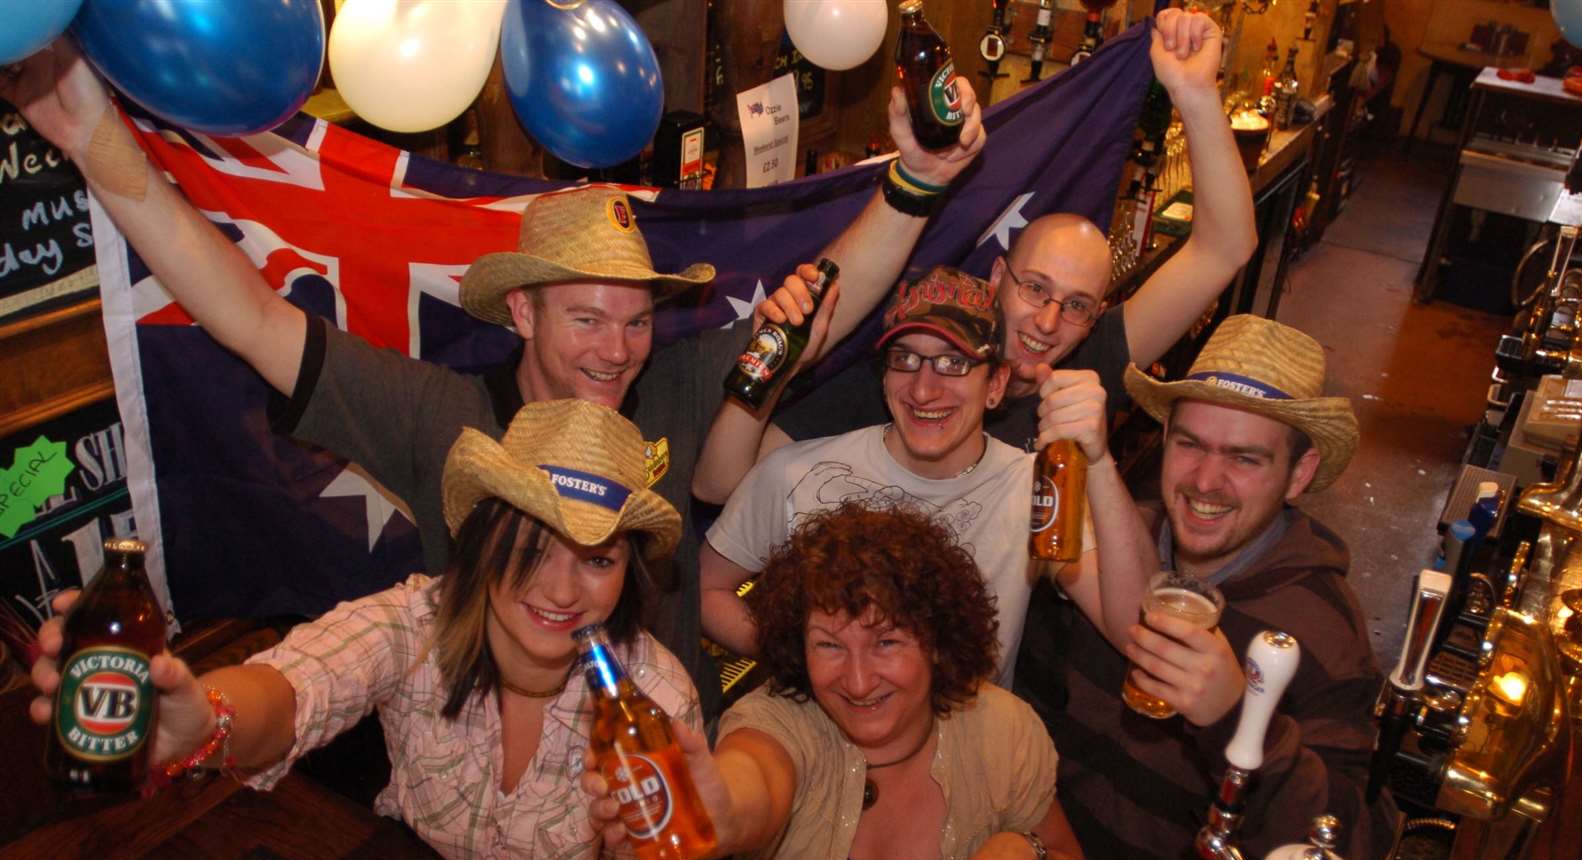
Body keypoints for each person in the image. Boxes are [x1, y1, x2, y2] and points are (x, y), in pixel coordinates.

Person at [0, 38, 987, 714]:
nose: (615, 348)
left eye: (635, 321)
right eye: (586, 318)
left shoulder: (681, 390)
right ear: (520, 310)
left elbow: (815, 323)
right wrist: (99, 145)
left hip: (657, 775)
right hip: (477, 775)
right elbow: (252, 317)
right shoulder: (445, 415)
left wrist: (916, 187)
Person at [28, 400, 697, 860]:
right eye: (527, 547)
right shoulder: (412, 623)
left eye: (597, 560)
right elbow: (300, 683)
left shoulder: (657, 701)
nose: (559, 588)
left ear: (627, 574)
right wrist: (207, 718)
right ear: (482, 540)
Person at [690, 5, 1256, 506]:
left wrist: (1195, 94)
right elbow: (719, 486)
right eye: (1035, 288)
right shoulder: (915, 375)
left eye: (1078, 305)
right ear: (997, 276)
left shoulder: (1089, 363)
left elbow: (1225, 249)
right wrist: (773, 374)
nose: (1049, 321)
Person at [587, 502, 1087, 860]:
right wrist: (713, 808)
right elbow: (754, 778)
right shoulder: (780, 717)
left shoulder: (1002, 729)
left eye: (887, 642)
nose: (856, 679)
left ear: (938, 640)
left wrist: (1027, 850)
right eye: (828, 644)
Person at [1027, 314, 1399, 860]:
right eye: (1189, 444)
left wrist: (1239, 719)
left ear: (1298, 472)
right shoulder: (1114, 532)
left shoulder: (1320, 632)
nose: (1205, 481)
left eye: (1245, 458)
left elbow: (1341, 850)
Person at [698, 267, 1141, 688]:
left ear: (996, 385)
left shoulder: (1036, 490)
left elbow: (1132, 634)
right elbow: (706, 588)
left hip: (962, 760)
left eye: (953, 362)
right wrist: (807, 659)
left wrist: (1098, 463)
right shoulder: (797, 472)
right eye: (905, 359)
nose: (924, 389)